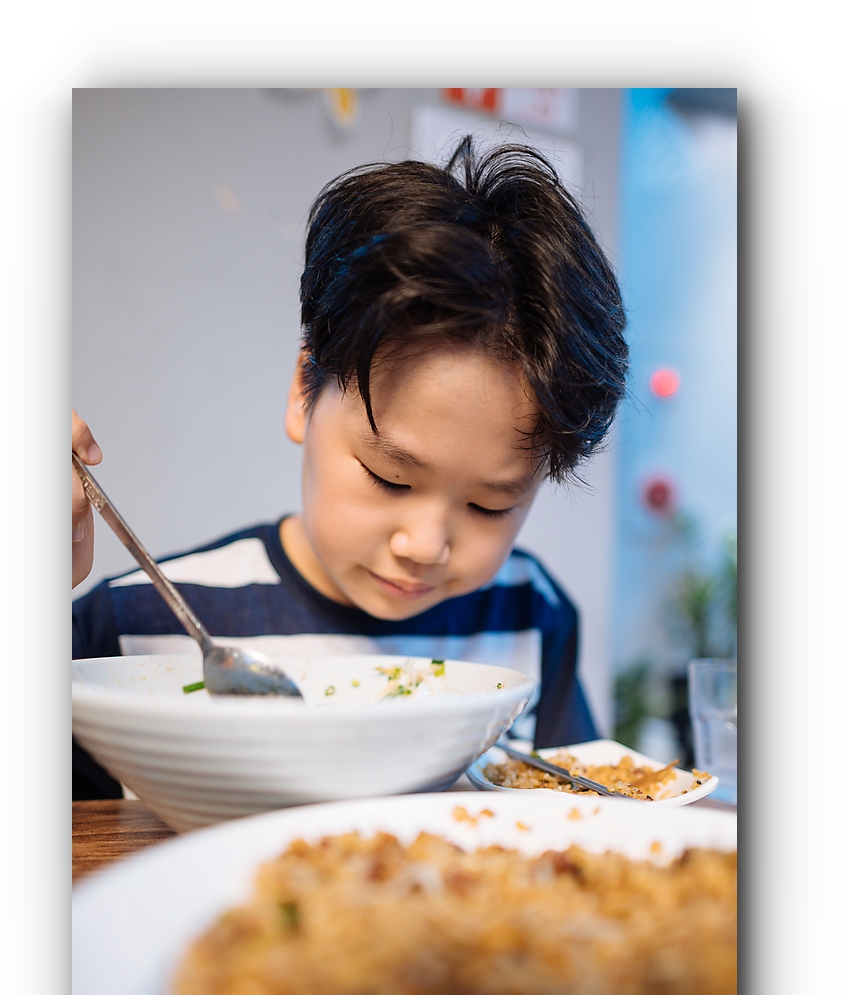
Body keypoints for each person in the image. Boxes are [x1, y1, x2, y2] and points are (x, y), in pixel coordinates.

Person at [72, 137, 628, 799]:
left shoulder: (530, 613)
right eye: (390, 477)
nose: (424, 545)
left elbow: (581, 808)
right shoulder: (134, 626)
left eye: (490, 505)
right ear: (303, 391)